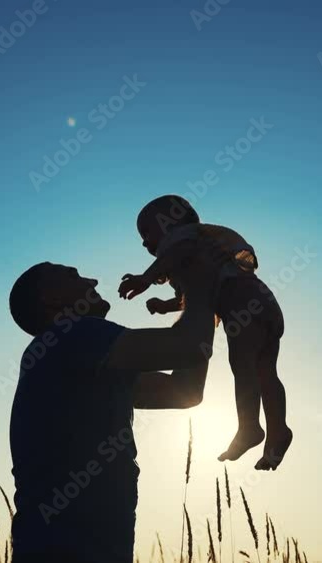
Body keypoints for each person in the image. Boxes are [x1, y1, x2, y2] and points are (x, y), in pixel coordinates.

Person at [8, 256, 217, 563]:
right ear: (51, 298)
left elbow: (184, 392)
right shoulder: (70, 335)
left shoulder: (78, 364)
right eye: (73, 275)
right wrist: (201, 280)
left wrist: (202, 303)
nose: (92, 282)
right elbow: (188, 346)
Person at [118, 195, 292, 471]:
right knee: (266, 371)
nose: (144, 242)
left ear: (171, 222)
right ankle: (277, 430)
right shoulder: (205, 246)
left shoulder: (186, 237)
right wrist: (167, 306)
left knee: (243, 366)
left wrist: (146, 278)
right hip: (262, 301)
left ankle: (250, 427)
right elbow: (195, 293)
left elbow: (180, 255)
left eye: (147, 232)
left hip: (240, 301)